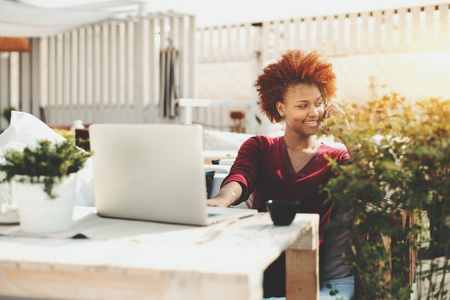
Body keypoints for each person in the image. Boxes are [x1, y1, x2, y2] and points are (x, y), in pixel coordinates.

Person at [207, 49, 354, 299]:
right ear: (281, 108)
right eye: (302, 105)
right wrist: (221, 201)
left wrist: (348, 135)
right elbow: (240, 177)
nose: (313, 113)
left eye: (319, 103)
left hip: (307, 265)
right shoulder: (260, 146)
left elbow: (369, 181)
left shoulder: (337, 157)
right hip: (261, 259)